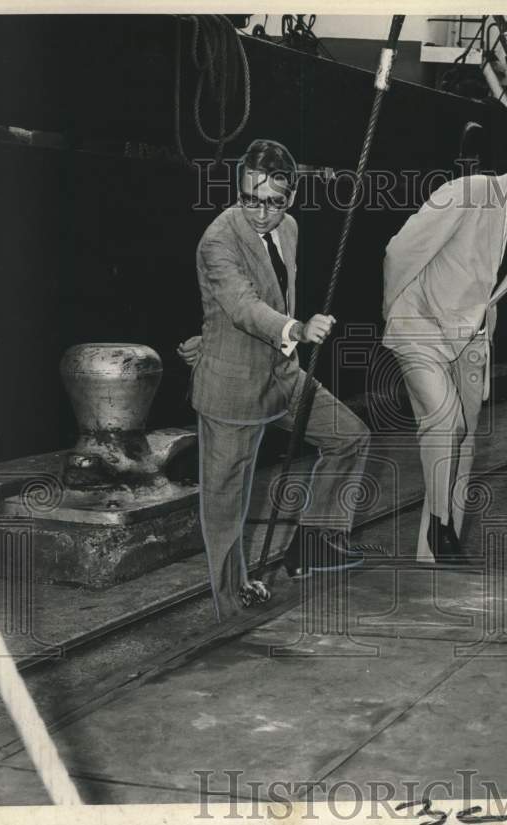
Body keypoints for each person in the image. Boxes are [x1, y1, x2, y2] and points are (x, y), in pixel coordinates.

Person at [181, 138, 371, 621]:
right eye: (251, 199)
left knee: (350, 436)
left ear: (290, 198)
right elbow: (243, 306)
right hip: (232, 388)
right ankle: (229, 608)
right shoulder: (217, 240)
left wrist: (283, 334)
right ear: (238, 187)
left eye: (274, 202)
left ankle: (314, 544)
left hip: (282, 373)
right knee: (226, 508)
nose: (262, 213)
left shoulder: (289, 228)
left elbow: (273, 292)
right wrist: (298, 330)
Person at [382, 148, 507, 564]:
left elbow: (488, 282)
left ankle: (436, 552)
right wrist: (397, 317)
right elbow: (400, 251)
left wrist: (480, 341)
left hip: (470, 340)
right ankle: (440, 525)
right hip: (421, 328)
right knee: (444, 421)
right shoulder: (469, 191)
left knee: (466, 441)